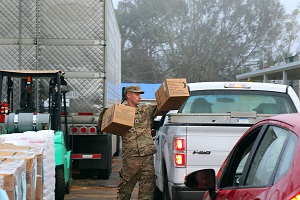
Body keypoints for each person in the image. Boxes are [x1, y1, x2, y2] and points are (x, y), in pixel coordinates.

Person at [116, 85, 158, 200]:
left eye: (140, 94)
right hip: (131, 159)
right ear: (129, 95)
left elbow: (163, 107)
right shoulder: (120, 112)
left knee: (147, 194)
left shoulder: (146, 110)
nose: (140, 97)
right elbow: (105, 125)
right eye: (137, 94)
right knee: (123, 193)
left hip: (146, 159)